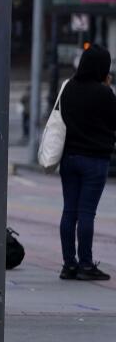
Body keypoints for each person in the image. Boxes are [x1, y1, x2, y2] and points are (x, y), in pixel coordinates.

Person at [57, 44, 116, 281]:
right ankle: (86, 264)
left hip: (69, 158)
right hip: (94, 160)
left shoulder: (69, 88)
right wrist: (108, 88)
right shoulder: (103, 93)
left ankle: (68, 264)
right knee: (87, 213)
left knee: (69, 211)